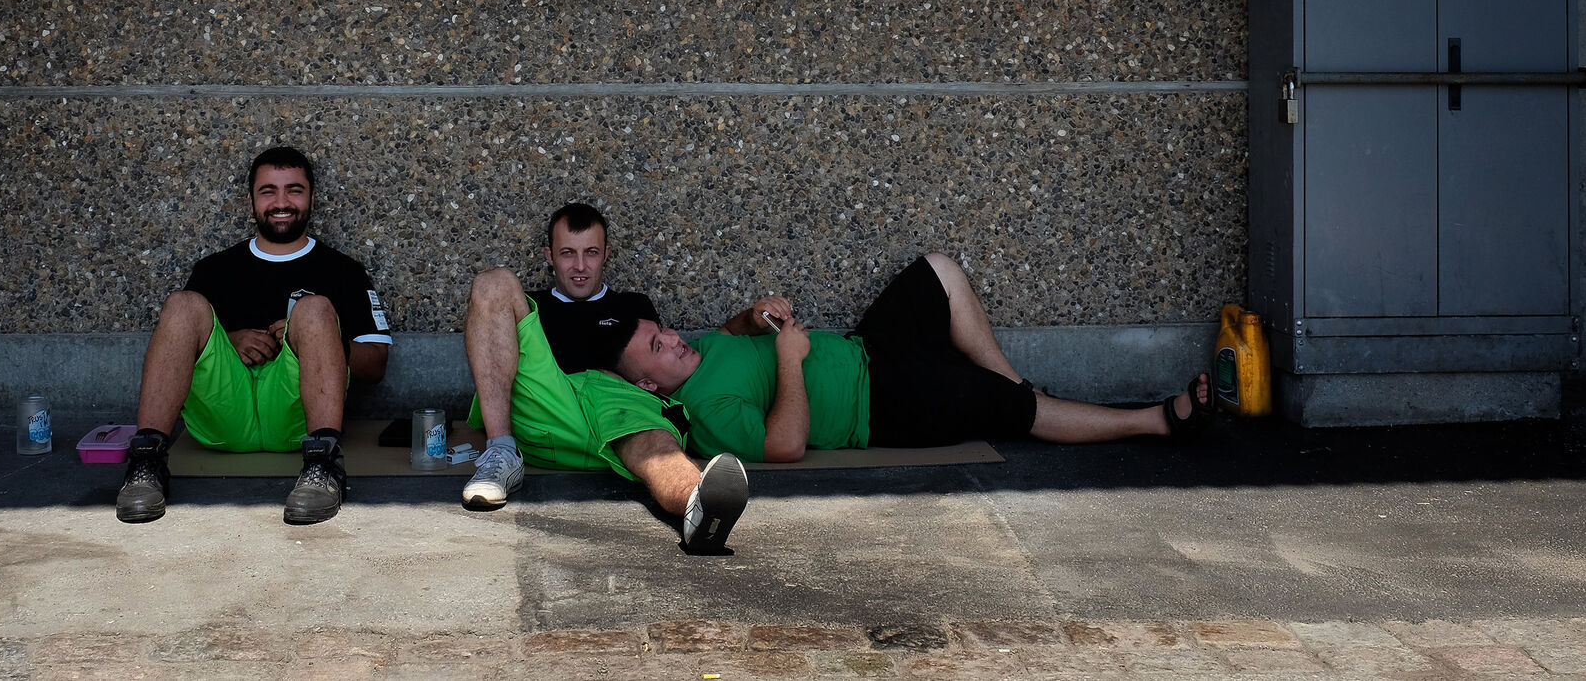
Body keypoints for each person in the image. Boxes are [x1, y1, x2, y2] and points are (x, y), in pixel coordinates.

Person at [610, 252, 1214, 462]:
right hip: (885, 408)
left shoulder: (703, 347)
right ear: (648, 387)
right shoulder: (706, 414)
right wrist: (790, 358)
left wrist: (751, 317)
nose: (673, 337)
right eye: (657, 347)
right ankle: (1157, 421)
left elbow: (728, 334)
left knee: (938, 271)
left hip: (871, 349)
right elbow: (785, 446)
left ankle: (1016, 387)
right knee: (1014, 411)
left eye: (662, 329)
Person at [115, 146, 392, 525]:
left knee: (312, 309)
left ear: (312, 198)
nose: (282, 202)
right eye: (268, 191)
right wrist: (229, 341)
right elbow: (183, 343)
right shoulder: (215, 269)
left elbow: (376, 364)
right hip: (224, 414)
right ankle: (145, 464)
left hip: (298, 419)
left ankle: (324, 467)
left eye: (294, 190)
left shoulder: (343, 271)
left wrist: (315, 340)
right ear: (251, 201)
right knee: (182, 305)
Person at [458, 202, 747, 553]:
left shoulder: (634, 307)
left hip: (617, 403)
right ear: (550, 256)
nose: (580, 266)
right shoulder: (530, 306)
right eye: (568, 253)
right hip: (553, 406)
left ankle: (698, 506)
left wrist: (746, 324)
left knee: (652, 441)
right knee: (493, 282)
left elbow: (665, 368)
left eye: (591, 253)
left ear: (606, 254)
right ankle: (501, 454)